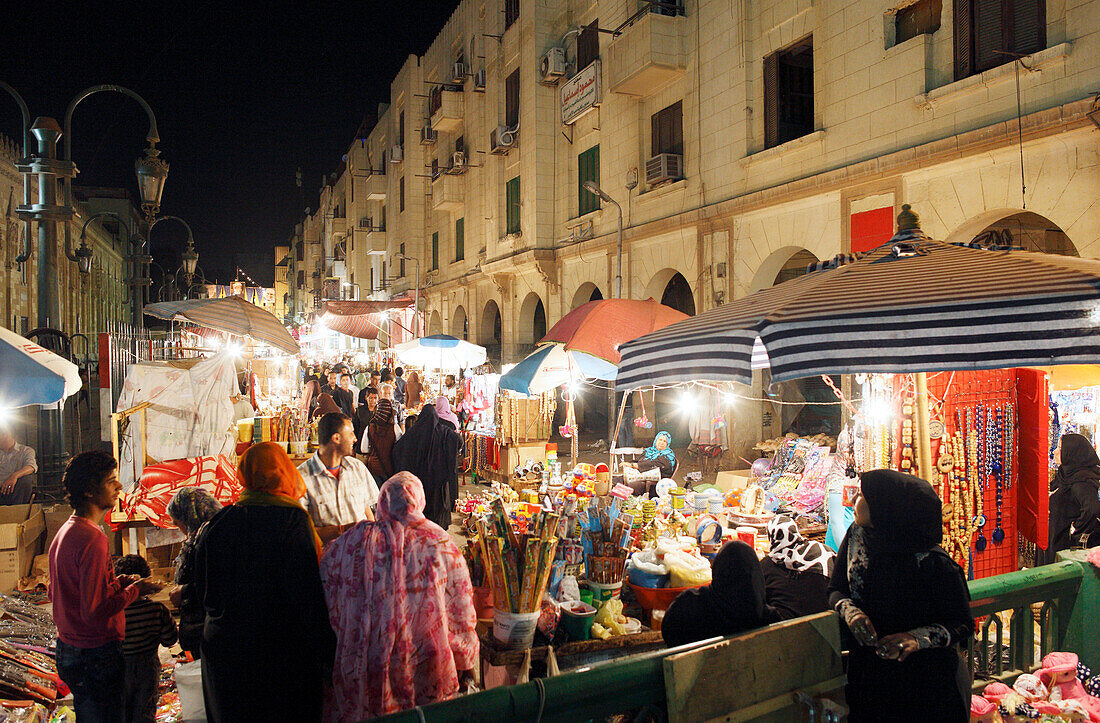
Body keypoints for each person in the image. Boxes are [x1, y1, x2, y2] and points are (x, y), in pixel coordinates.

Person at [192, 442, 335, 722]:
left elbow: (204, 591)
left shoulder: (220, 522)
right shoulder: (292, 519)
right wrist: (326, 651)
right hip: (280, 653)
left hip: (227, 654)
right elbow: (306, 593)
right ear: (283, 472)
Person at [321, 472, 478, 719]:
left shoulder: (353, 541)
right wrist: (465, 656)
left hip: (367, 662)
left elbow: (328, 581)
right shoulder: (440, 542)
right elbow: (461, 605)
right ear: (419, 500)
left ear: (382, 502)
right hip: (428, 660)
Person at [829, 470, 974, 722]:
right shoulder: (857, 537)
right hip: (871, 678)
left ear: (888, 508)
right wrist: (850, 612)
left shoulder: (931, 562)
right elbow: (836, 589)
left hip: (924, 687)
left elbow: (963, 623)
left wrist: (915, 639)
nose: (856, 500)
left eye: (864, 495)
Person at [49, 451, 161, 721]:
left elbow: (63, 591)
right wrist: (137, 591)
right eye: (111, 481)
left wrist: (117, 582)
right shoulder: (92, 539)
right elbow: (94, 610)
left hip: (69, 649)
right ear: (89, 491)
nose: (120, 486)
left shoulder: (67, 531)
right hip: (94, 655)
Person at [662, 540, 778, 648]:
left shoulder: (687, 607)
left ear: (718, 570)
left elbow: (668, 634)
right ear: (755, 576)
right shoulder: (769, 619)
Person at [114, 554, 178, 723]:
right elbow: (170, 640)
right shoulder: (157, 610)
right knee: (145, 711)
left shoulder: (114, 612)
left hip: (118, 667)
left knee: (121, 710)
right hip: (147, 668)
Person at [300, 413, 379, 546]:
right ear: (336, 438)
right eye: (351, 433)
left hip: (361, 556)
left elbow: (368, 511)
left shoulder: (357, 468)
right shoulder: (302, 478)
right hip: (327, 561)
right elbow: (303, 532)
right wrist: (343, 531)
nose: (355, 439)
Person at [166, 487, 223, 659]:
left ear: (189, 514)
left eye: (178, 522)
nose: (180, 529)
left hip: (210, 633)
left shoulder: (214, 538)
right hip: (201, 632)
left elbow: (217, 582)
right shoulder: (204, 536)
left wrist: (184, 592)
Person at [392, 402, 461, 531]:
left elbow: (398, 449)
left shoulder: (413, 433)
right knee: (437, 517)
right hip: (437, 483)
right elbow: (457, 440)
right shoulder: (443, 432)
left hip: (419, 484)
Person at [761, 515, 835, 620]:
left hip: (785, 627)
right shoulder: (824, 552)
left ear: (771, 536)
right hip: (826, 621)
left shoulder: (767, 565)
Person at [1048, 433, 1100, 554]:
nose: (1055, 452)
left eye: (1060, 448)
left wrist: (1076, 533)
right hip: (1053, 542)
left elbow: (1092, 509)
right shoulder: (1064, 477)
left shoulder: (1082, 482)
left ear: (1072, 453)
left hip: (1064, 549)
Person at [365, 394, 398, 482]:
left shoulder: (370, 427)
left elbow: (364, 449)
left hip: (373, 468)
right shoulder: (395, 428)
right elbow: (399, 448)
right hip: (389, 467)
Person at [0, 427, 36, 505]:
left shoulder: (25, 451)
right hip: (1, 488)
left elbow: (31, 466)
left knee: (26, 480)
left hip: (16, 489)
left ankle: (18, 510)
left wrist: (14, 476)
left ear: (6, 435)